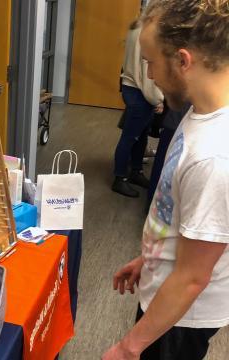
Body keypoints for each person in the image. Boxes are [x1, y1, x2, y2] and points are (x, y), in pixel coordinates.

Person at [103, 1, 229, 359]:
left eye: (151, 62)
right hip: (167, 292)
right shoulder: (198, 114)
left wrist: (129, 348)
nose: (151, 74)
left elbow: (192, 278)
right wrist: (149, 257)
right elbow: (181, 214)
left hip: (183, 317)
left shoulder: (215, 157)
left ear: (183, 61)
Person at [112, 19, 164, 198]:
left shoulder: (136, 26)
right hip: (140, 91)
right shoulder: (151, 33)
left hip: (132, 87)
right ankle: (120, 179)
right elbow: (148, 74)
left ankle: (136, 172)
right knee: (130, 137)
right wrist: (158, 99)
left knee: (140, 136)